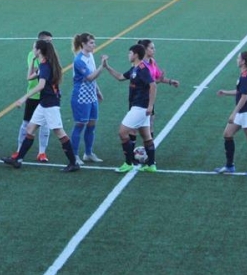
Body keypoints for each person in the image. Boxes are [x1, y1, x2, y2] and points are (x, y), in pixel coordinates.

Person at [2, 39, 81, 172]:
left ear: (39, 50)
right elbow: (29, 77)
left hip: (50, 104)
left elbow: (41, 85)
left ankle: (73, 163)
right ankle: (18, 160)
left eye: (34, 48)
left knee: (59, 132)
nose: (33, 50)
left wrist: (23, 98)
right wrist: (33, 62)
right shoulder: (45, 64)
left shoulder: (45, 66)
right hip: (44, 104)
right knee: (30, 129)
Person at [101, 44, 157, 173]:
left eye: (130, 53)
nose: (128, 55)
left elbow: (153, 85)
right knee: (146, 137)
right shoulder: (134, 69)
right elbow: (121, 77)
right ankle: (151, 165)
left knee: (122, 132)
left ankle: (128, 162)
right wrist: (107, 67)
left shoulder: (142, 69)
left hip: (140, 107)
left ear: (136, 54)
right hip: (139, 107)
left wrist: (150, 106)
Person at [214, 51, 247, 176]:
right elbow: (239, 92)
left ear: (243, 61)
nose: (237, 60)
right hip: (242, 112)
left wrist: (233, 113)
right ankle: (229, 166)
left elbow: (244, 97)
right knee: (227, 134)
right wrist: (225, 92)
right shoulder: (245, 74)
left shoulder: (246, 76)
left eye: (238, 58)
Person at [129, 39, 180, 147]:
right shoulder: (140, 66)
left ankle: (148, 151)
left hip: (149, 98)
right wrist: (158, 81)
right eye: (152, 48)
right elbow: (149, 83)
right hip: (139, 99)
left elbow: (157, 77)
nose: (154, 50)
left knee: (150, 124)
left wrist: (170, 81)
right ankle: (132, 156)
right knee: (134, 127)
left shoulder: (152, 62)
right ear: (145, 49)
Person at [14, 31, 53, 163]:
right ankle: (19, 150)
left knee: (45, 125)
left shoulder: (50, 58)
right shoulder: (33, 55)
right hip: (33, 94)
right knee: (26, 123)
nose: (50, 44)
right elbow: (32, 74)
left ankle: (42, 152)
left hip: (45, 96)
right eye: (48, 41)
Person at [70, 33, 105, 164]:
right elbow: (90, 77)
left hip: (91, 95)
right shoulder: (79, 60)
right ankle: (74, 155)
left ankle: (88, 153)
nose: (94, 45)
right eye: (91, 43)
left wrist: (97, 91)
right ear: (83, 44)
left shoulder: (90, 56)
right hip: (81, 96)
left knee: (92, 124)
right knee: (80, 124)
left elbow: (93, 76)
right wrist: (103, 65)